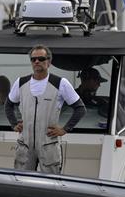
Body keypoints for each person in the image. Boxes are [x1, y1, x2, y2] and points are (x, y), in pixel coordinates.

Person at [5, 45, 86, 174]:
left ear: (49, 62)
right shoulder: (21, 83)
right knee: (21, 184)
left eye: (41, 59)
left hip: (48, 145)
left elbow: (80, 109)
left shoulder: (61, 83)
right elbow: (8, 105)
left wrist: (65, 129)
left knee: (52, 184)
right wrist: (14, 123)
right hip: (25, 145)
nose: (37, 62)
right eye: (33, 59)